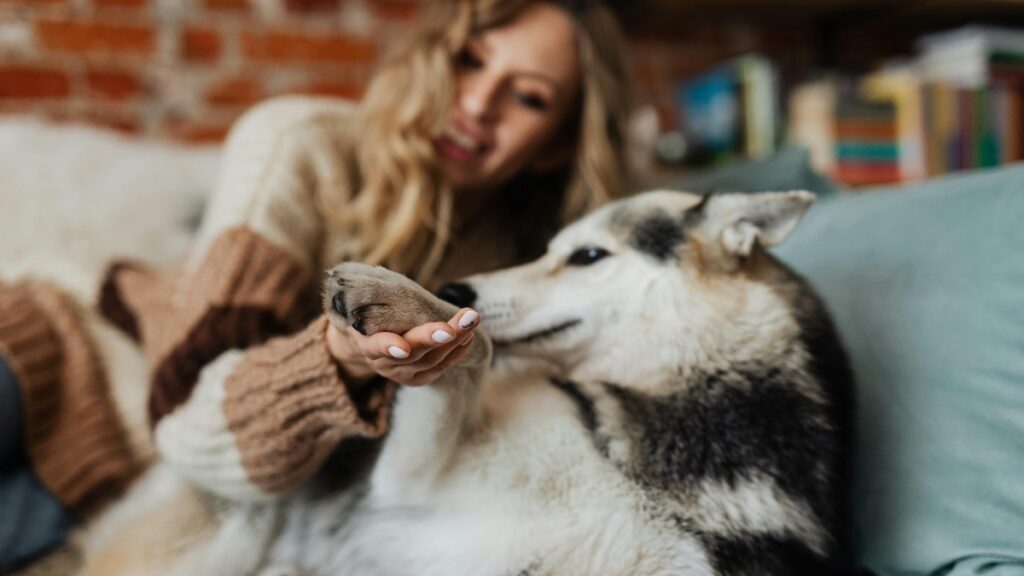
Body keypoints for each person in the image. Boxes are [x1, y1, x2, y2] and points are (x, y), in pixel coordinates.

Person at [0, 0, 633, 568]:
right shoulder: (299, 146)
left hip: (109, 481)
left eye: (528, 98)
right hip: (67, 359)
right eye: (469, 61)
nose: (476, 105)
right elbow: (192, 422)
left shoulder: (527, 271)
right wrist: (338, 358)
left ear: (556, 146)